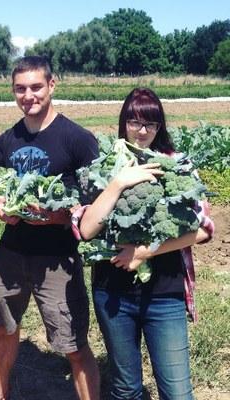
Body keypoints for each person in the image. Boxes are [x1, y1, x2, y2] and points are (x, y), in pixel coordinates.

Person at [0, 56, 100, 400]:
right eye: (20, 89)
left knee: (73, 344)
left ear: (52, 85)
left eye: (36, 87)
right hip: (10, 255)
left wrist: (55, 216)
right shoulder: (11, 138)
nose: (28, 95)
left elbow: (95, 205)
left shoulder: (77, 138)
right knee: (4, 329)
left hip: (57, 260)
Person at [73, 87, 214, 400]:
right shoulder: (105, 167)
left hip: (165, 293)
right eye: (135, 122)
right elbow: (86, 229)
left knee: (177, 392)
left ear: (160, 127)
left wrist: (146, 250)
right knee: (126, 389)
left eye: (151, 124)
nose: (142, 131)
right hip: (113, 293)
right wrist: (120, 181)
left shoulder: (178, 165)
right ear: (124, 122)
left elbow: (204, 229)